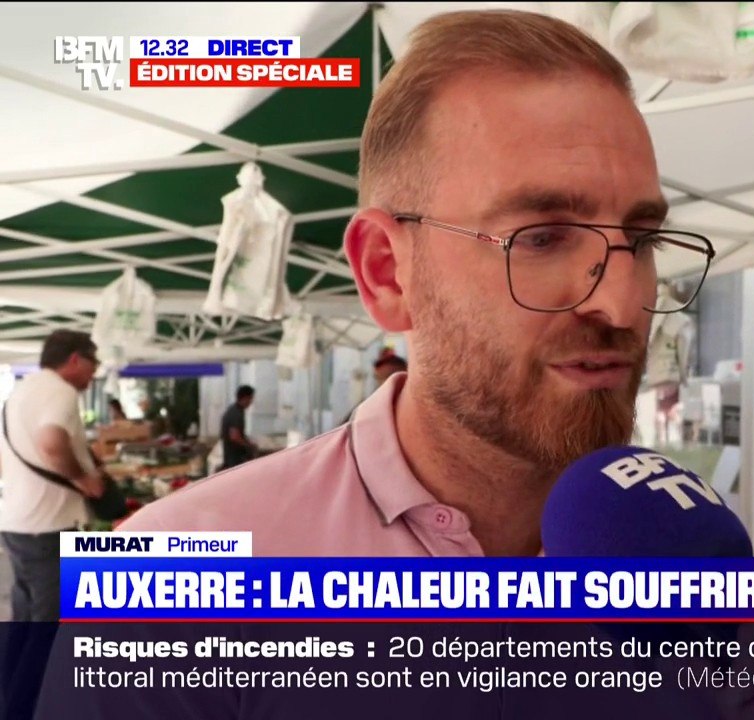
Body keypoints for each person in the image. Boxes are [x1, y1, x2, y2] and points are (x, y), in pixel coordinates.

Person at [122, 10, 714, 560]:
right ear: (386, 272)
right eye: (541, 238)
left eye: (641, 241)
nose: (619, 304)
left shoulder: (685, 552)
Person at [0, 330, 105, 621]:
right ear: (74, 360)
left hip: (19, 523)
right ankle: (41, 668)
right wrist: (84, 479)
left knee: (26, 613)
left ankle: (18, 667)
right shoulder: (61, 391)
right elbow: (51, 443)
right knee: (51, 617)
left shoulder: (20, 392)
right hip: (49, 527)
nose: (92, 375)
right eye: (92, 366)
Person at [218, 385, 256, 470]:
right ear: (245, 398)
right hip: (234, 458)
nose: (251, 402)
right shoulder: (235, 413)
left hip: (233, 456)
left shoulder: (236, 410)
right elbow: (234, 436)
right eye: (250, 398)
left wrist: (247, 440)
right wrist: (248, 446)